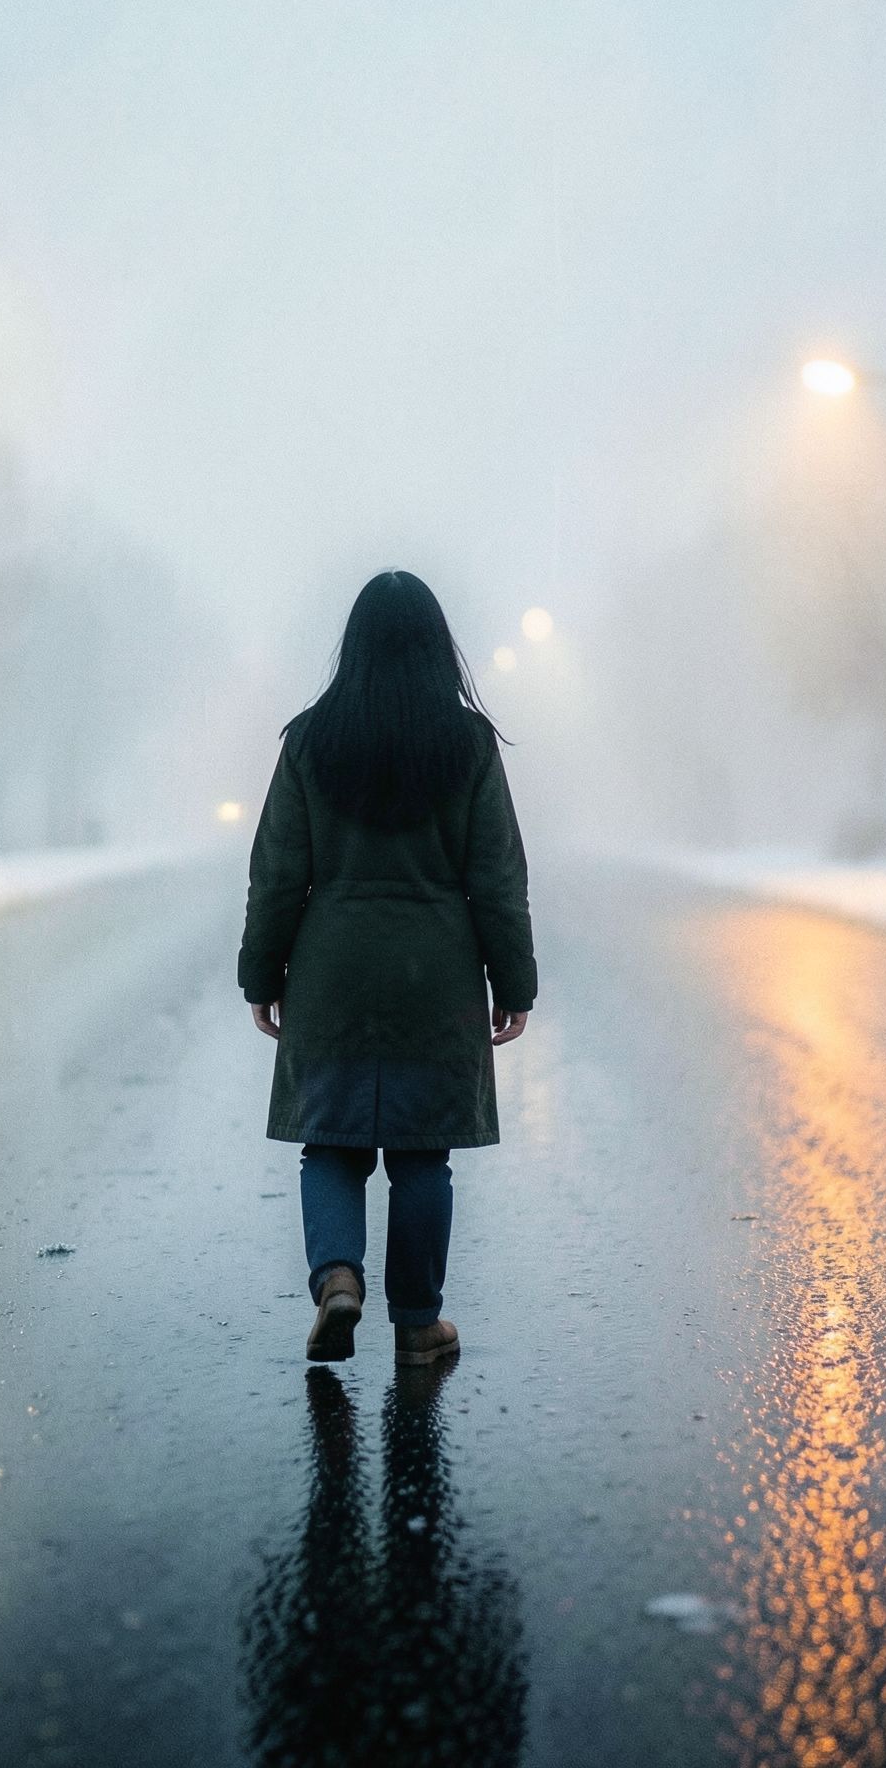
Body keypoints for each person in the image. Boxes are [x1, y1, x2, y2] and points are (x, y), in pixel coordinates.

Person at [238, 570, 537, 1366]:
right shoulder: (469, 745)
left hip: (330, 975)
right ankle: (416, 1326)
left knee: (330, 1145)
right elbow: (498, 878)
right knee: (422, 1157)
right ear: (441, 648)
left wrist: (261, 975)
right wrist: (514, 985)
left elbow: (276, 874)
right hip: (433, 979)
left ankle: (338, 1278)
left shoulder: (309, 740)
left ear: (354, 646)